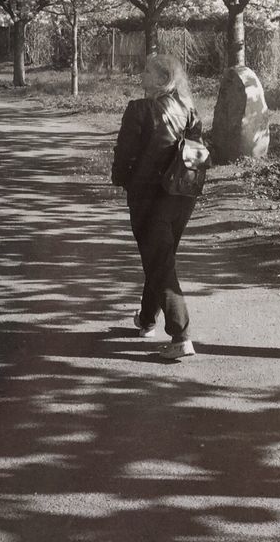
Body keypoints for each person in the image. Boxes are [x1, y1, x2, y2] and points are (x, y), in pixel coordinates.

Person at [111, 52, 202, 361]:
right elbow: (196, 151)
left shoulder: (139, 110)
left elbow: (125, 154)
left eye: (148, 70)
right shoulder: (189, 109)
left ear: (163, 79)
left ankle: (181, 335)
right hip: (182, 195)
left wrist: (121, 179)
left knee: (160, 261)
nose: (142, 74)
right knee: (161, 257)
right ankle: (147, 319)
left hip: (148, 197)